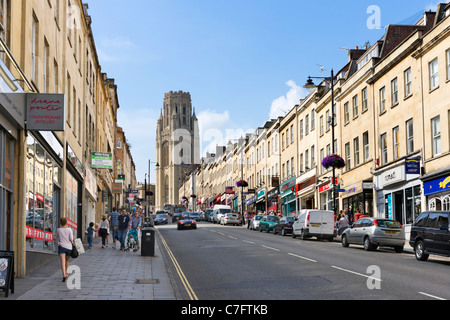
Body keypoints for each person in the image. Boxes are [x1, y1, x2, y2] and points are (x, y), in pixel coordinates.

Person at [55, 217, 74, 282]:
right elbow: (71, 239)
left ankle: (64, 275)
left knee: (62, 262)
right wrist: (72, 242)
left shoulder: (58, 230)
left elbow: (56, 239)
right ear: (66, 222)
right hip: (69, 247)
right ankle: (66, 273)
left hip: (62, 247)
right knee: (67, 261)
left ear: (60, 223)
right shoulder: (69, 230)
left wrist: (58, 244)